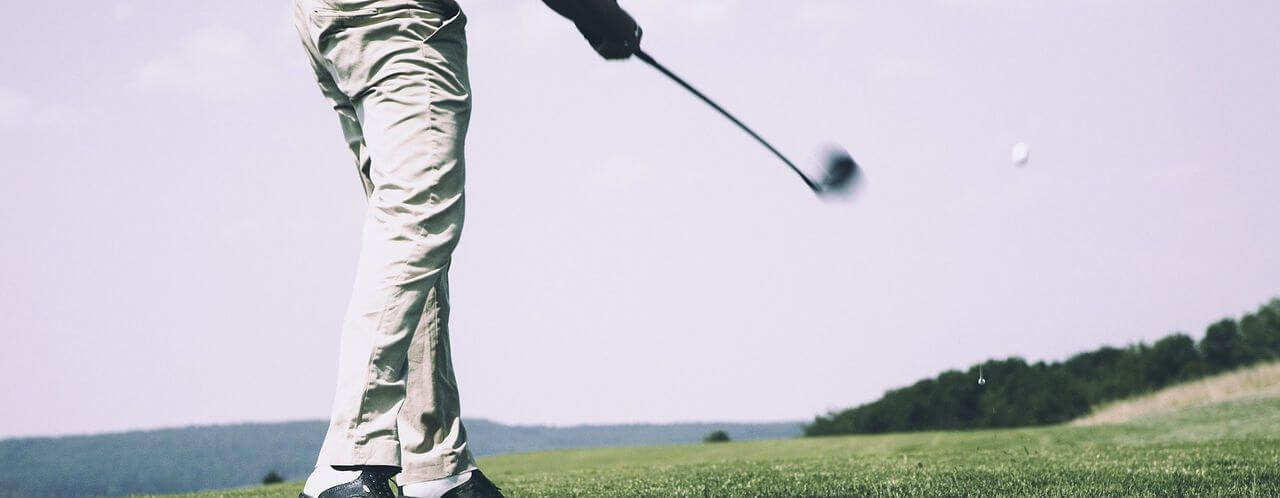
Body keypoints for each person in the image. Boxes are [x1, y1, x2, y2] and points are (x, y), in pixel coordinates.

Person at [290, 0, 641, 497]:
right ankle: (348, 463)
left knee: (411, 246)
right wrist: (595, 12)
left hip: (330, 17)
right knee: (416, 222)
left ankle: (436, 467)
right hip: (398, 17)